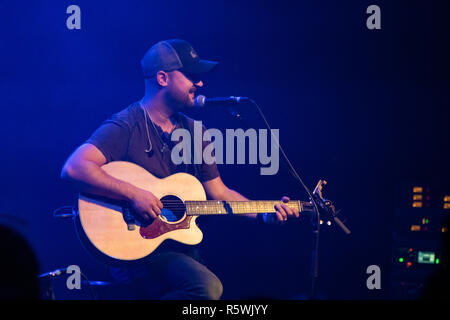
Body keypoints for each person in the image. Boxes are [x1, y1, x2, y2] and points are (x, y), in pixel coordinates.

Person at [61, 39, 300, 299]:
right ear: (162, 78)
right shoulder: (127, 124)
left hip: (177, 248)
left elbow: (220, 193)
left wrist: (264, 213)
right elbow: (74, 168)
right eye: (192, 76)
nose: (200, 84)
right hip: (132, 249)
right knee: (207, 289)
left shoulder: (196, 132)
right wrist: (133, 194)